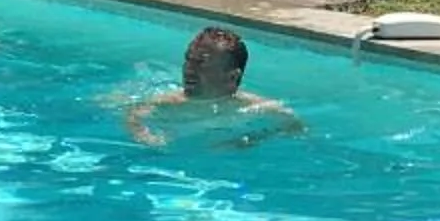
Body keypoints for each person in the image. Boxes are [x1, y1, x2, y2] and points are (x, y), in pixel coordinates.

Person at [124, 24, 306, 148]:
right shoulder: (168, 101)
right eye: (189, 61)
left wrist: (251, 140)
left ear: (232, 76)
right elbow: (133, 116)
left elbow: (295, 126)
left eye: (201, 64)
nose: (189, 70)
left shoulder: (256, 106)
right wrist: (145, 136)